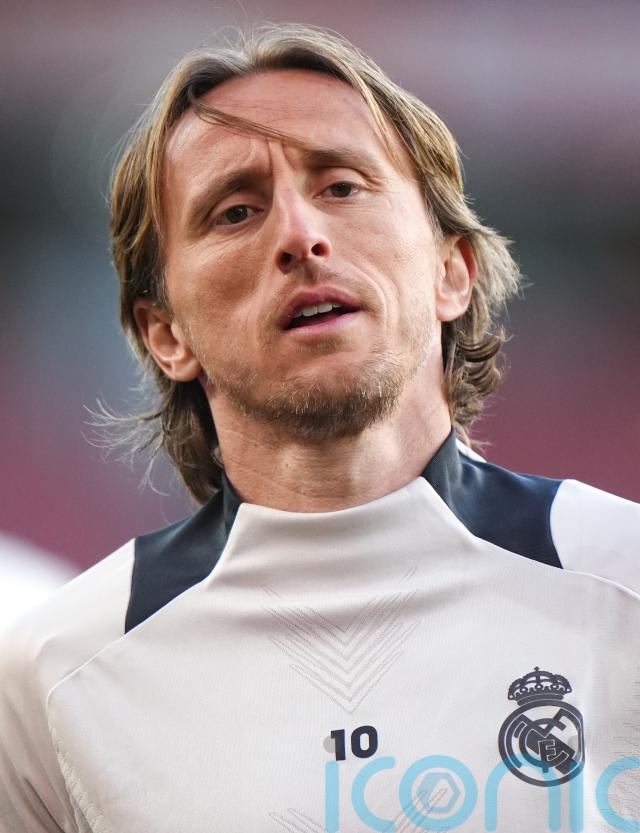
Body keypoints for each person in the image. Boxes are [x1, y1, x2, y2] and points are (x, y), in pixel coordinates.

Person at [0, 24, 638, 833]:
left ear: (451, 270)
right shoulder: (53, 678)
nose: (301, 236)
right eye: (236, 211)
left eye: (341, 186)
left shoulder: (623, 581)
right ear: (166, 334)